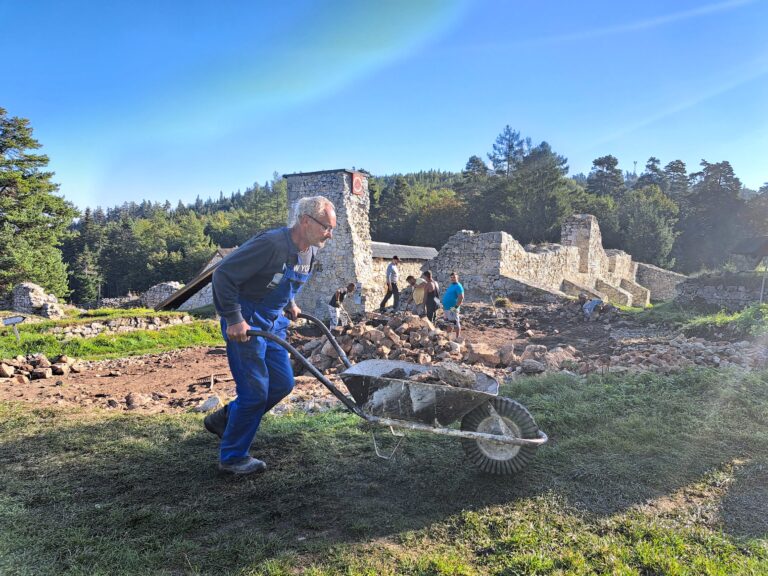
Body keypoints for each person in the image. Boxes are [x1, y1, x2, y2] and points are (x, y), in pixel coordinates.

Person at [203, 195, 337, 475]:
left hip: (274, 322)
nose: (330, 234)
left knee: (282, 384)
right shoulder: (272, 244)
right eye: (326, 227)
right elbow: (223, 275)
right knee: (254, 392)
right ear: (305, 221)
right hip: (247, 322)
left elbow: (281, 282)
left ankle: (225, 420)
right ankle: (232, 457)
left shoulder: (310, 251)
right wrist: (234, 318)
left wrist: (289, 303)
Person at [442, 271, 465, 338]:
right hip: (446, 308)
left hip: (453, 308)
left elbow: (461, 297)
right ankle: (448, 337)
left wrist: (455, 307)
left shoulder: (458, 286)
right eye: (451, 277)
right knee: (449, 323)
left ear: (457, 277)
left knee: (455, 323)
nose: (452, 279)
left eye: (454, 277)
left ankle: (458, 337)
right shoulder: (452, 285)